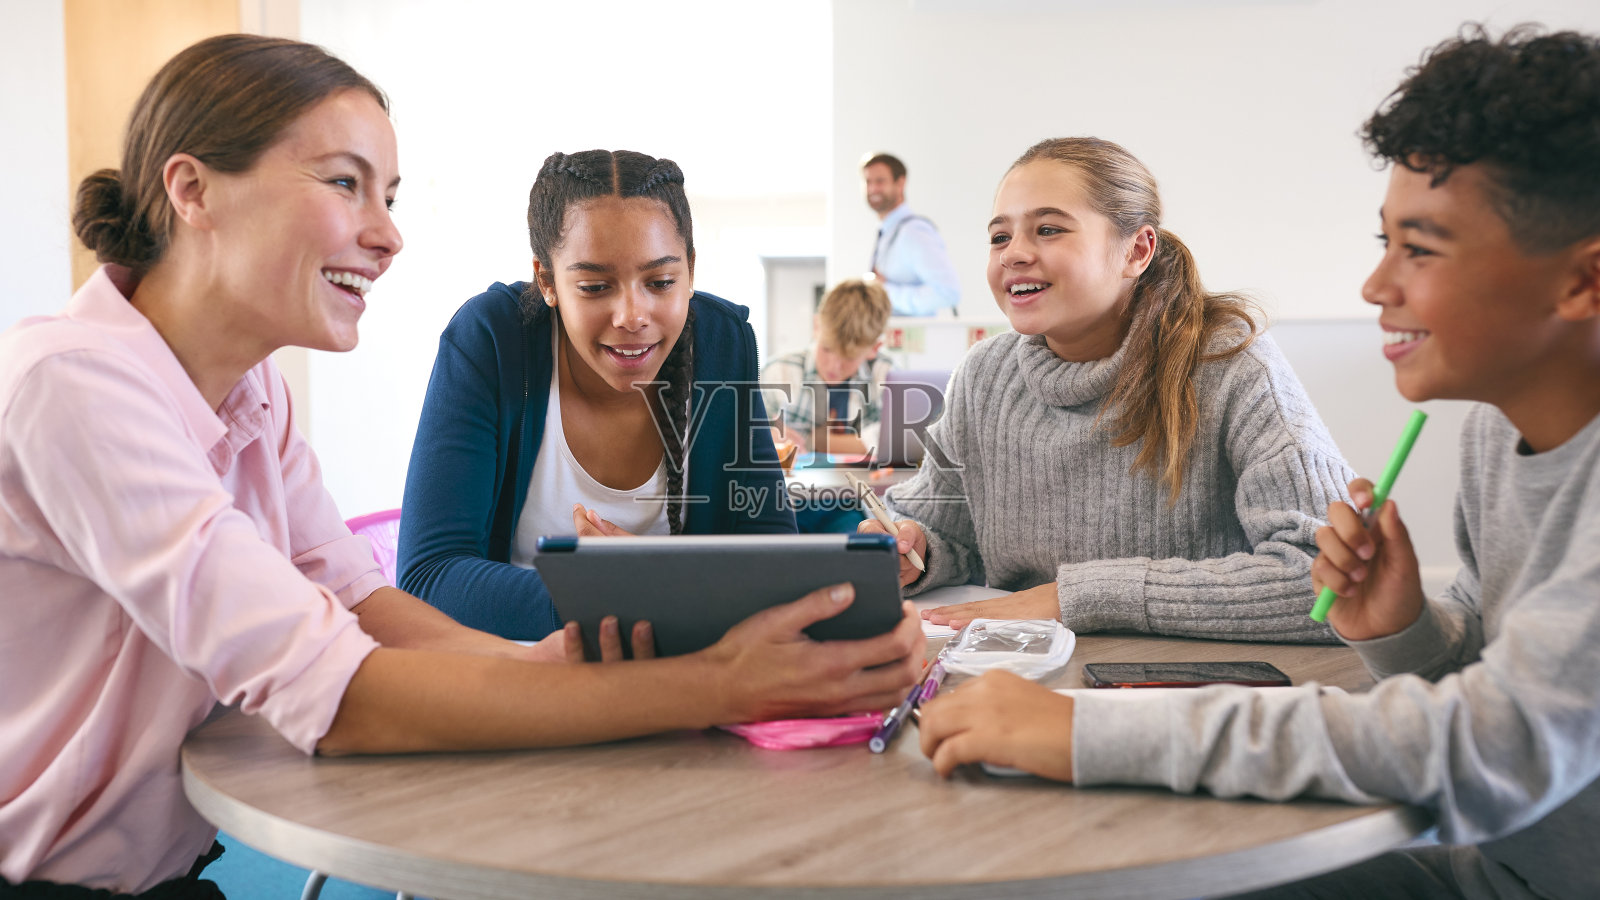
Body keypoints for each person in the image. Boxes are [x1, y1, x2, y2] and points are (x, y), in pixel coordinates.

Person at [0, 35, 924, 896]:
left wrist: (543, 662)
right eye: (346, 184)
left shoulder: (252, 394)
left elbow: (359, 603)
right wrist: (719, 682)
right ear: (193, 190)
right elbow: (341, 696)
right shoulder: (74, 386)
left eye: (389, 197)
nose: (388, 235)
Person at [918, 25, 1600, 900]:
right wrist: (1402, 627)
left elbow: (1486, 748)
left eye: (1422, 248)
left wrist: (1087, 732)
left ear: (1582, 281)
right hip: (1498, 869)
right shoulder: (1495, 437)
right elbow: (1482, 695)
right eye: (1385, 242)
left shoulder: (1229, 362)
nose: (1375, 286)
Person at [867, 136, 1354, 643]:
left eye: (1048, 229)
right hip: (1021, 665)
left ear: (1137, 251)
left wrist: (1076, 597)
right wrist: (915, 551)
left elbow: (1330, 581)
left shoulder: (1229, 361)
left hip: (1187, 679)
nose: (1014, 254)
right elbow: (942, 530)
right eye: (999, 237)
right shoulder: (984, 374)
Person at [397, 149, 799, 640]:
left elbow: (773, 556)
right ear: (547, 280)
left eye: (661, 282)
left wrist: (651, 580)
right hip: (522, 668)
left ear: (691, 271)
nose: (632, 316)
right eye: (594, 286)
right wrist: (611, 596)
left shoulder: (721, 343)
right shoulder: (491, 339)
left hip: (683, 674)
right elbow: (428, 578)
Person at [760, 277, 894, 532]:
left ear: (874, 348)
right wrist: (767, 435)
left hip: (850, 504)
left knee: (860, 545)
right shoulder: (779, 372)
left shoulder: (885, 376)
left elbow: (889, 445)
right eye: (827, 349)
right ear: (816, 326)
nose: (834, 366)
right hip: (786, 503)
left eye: (848, 358)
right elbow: (746, 440)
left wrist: (814, 441)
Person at [863, 153, 961, 317]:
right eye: (868, 182)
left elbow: (948, 293)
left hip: (911, 333)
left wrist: (883, 292)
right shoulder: (887, 232)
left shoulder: (913, 231)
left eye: (880, 181)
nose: (873, 189)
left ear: (900, 183)